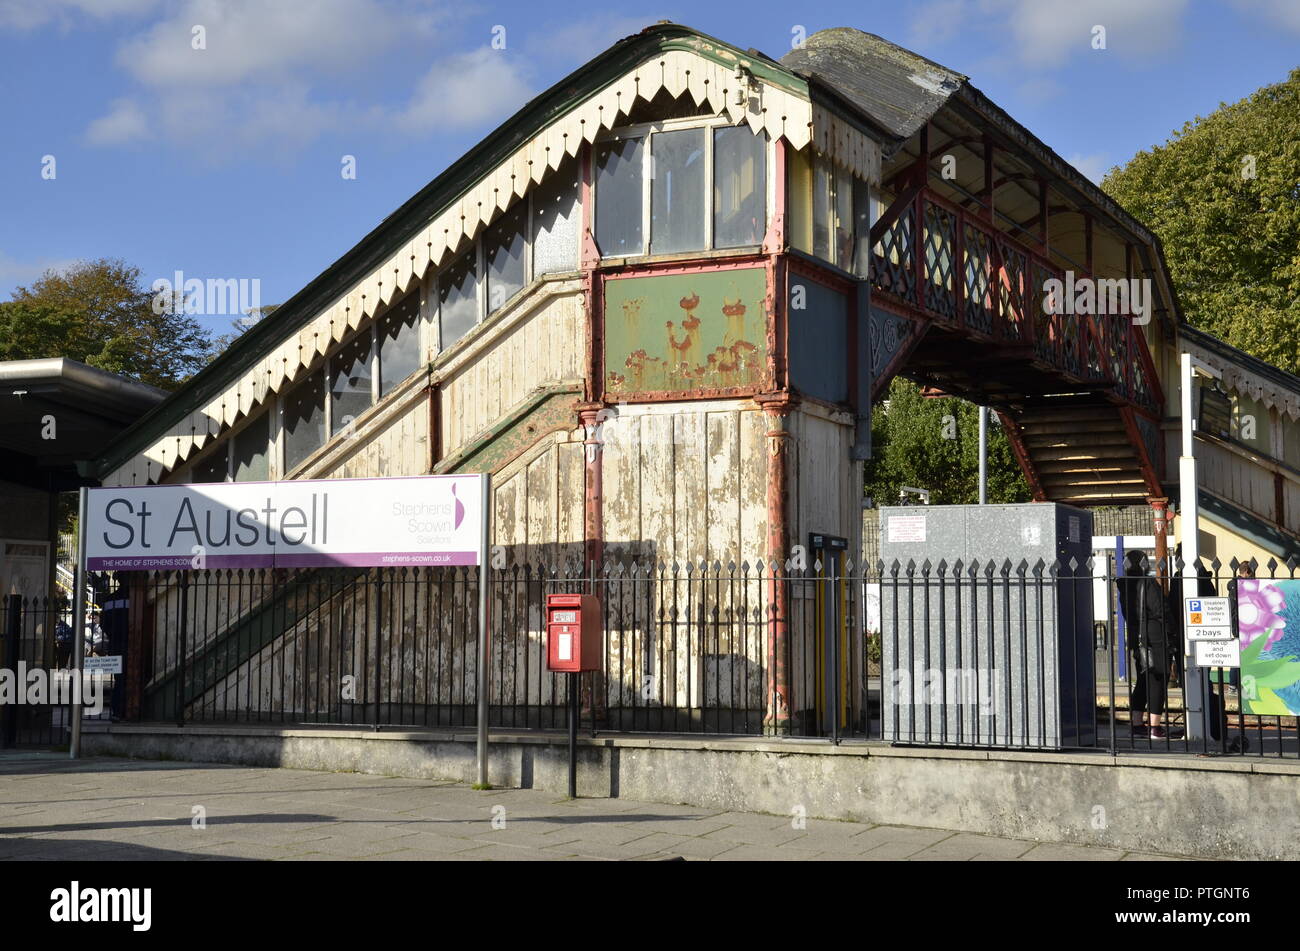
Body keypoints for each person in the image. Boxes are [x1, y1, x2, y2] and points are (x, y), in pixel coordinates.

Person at [1117, 551, 1176, 739]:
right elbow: (1161, 610)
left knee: (1143, 680)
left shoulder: (1124, 586)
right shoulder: (1147, 584)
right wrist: (1172, 632)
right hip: (1155, 637)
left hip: (1137, 637)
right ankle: (1155, 727)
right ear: (1144, 564)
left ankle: (1136, 724)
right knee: (1158, 680)